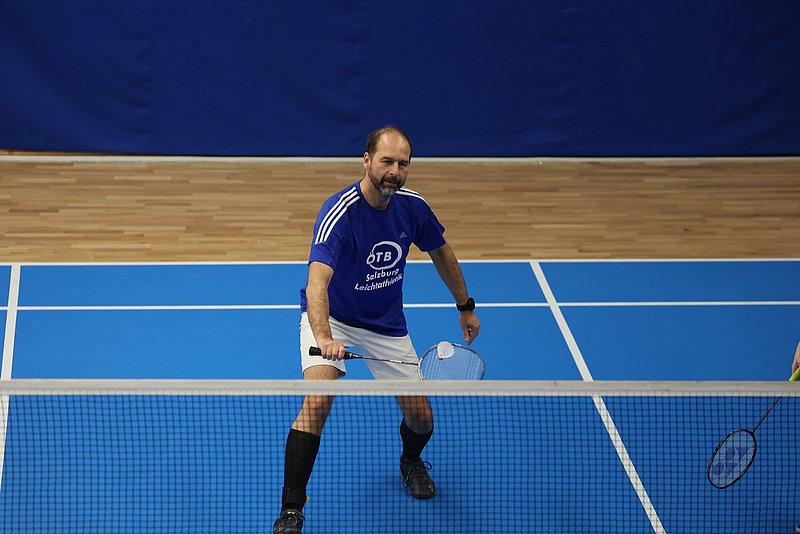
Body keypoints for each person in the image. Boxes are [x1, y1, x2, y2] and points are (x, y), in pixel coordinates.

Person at [272, 125, 481, 533]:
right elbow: (317, 283)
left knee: (422, 419)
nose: (394, 171)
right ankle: (292, 509)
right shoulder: (340, 212)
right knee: (318, 402)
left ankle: (410, 460)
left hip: (387, 326)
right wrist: (325, 337)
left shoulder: (412, 207)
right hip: (332, 319)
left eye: (403, 164)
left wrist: (465, 306)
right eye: (387, 161)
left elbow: (441, 251)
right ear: (366, 160)